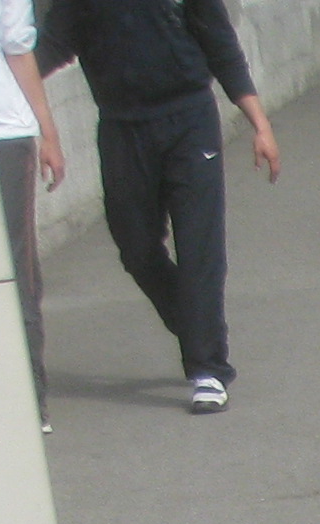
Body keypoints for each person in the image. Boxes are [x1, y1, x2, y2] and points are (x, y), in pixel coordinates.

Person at [37, 0, 280, 415]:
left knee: (198, 246)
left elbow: (221, 45)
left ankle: (208, 369)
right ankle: (195, 328)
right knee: (136, 248)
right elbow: (51, 46)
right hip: (121, 126)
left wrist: (261, 125)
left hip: (189, 119)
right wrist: (10, 85)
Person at [0, 0, 62, 424]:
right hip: (5, 133)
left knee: (16, 267)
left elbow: (18, 48)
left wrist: (48, 132)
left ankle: (29, 399)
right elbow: (16, 47)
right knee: (16, 265)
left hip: (3, 132)